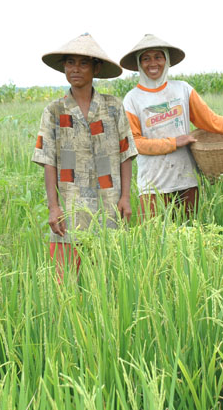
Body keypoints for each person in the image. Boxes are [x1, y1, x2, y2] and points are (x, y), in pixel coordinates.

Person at [120, 35, 223, 220]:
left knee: (191, 231)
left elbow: (211, 121)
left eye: (158, 57)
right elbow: (136, 142)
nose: (152, 63)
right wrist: (174, 142)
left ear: (167, 60)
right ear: (139, 64)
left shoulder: (182, 90)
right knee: (155, 238)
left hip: (186, 177)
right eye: (146, 58)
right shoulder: (132, 99)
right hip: (153, 181)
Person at [32, 33, 137, 278]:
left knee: (108, 280)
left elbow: (125, 154)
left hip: (109, 205)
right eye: (70, 62)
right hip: (69, 208)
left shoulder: (113, 107)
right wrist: (53, 207)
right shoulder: (54, 111)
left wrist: (125, 197)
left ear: (96, 67)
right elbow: (48, 161)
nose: (75, 69)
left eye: (83, 63)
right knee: (65, 283)